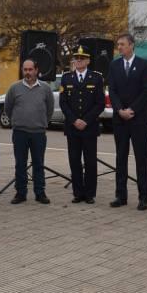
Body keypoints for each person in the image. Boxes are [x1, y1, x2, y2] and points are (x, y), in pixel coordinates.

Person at [108, 33, 147, 211]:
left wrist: (132, 110)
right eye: (118, 44)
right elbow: (112, 90)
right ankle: (120, 195)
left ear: (131, 45)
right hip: (120, 120)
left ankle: (144, 197)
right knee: (120, 158)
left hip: (138, 119)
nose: (119, 47)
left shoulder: (144, 64)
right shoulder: (114, 65)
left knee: (141, 159)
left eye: (122, 44)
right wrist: (120, 110)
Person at [59, 46, 105, 205]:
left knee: (90, 162)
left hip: (89, 127)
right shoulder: (66, 78)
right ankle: (78, 193)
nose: (78, 61)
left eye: (82, 58)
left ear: (88, 61)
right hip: (72, 128)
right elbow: (63, 103)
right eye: (76, 58)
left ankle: (90, 194)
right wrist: (74, 120)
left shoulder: (96, 78)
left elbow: (100, 103)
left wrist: (86, 120)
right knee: (74, 161)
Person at [4, 58, 54, 205]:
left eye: (30, 69)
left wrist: (42, 122)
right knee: (20, 164)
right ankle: (20, 193)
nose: (27, 72)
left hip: (38, 133)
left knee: (39, 163)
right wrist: (17, 121)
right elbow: (8, 108)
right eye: (25, 69)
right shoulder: (14, 88)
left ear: (36, 70)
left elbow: (49, 109)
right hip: (20, 132)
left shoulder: (45, 88)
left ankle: (40, 193)